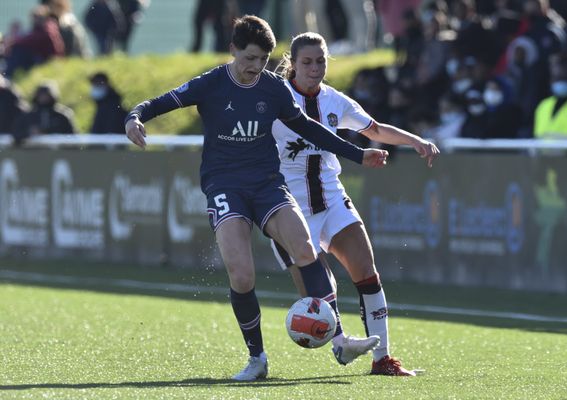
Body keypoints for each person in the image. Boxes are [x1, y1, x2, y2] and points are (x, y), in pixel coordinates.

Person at [124, 15, 389, 381]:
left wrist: (357, 154)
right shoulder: (212, 83)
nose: (254, 68)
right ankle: (257, 359)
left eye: (262, 60)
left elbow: (309, 128)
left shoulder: (272, 88)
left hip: (267, 185)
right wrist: (135, 117)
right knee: (243, 275)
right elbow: (162, 102)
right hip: (225, 188)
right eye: (248, 59)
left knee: (305, 250)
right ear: (233, 50)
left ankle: (340, 340)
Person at [271, 32, 439, 376]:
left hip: (332, 199)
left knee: (367, 272)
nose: (315, 68)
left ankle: (383, 360)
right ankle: (340, 343)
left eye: (320, 61)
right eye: (307, 62)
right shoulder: (273, 98)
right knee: (322, 290)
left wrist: (415, 141)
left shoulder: (335, 101)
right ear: (292, 62)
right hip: (287, 207)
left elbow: (374, 129)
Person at [12, 80, 76, 145]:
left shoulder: (62, 115)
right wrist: (29, 133)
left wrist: (49, 132)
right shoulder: (27, 116)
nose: (44, 98)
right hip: (33, 152)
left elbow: (72, 136)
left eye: (46, 95)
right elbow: (16, 134)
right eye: (41, 95)